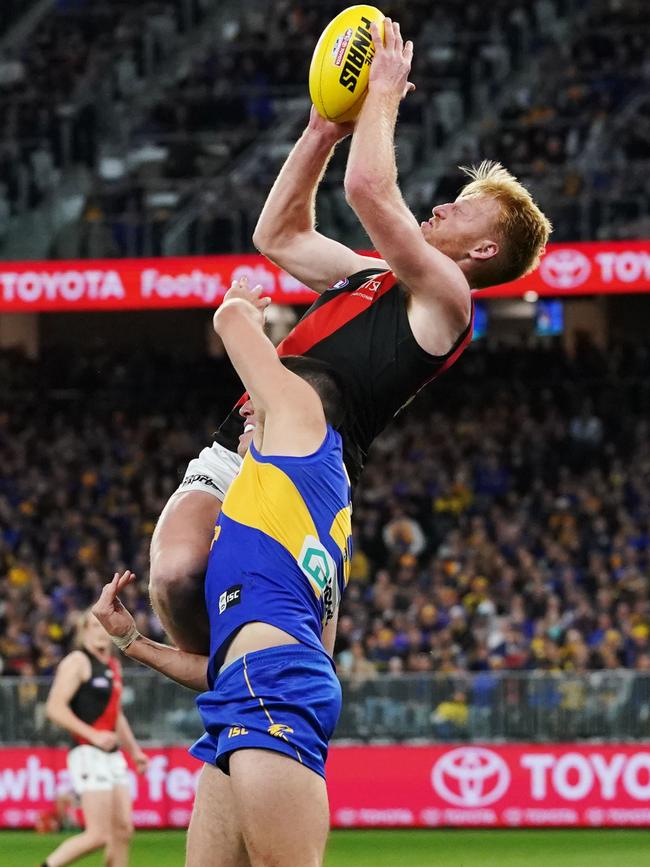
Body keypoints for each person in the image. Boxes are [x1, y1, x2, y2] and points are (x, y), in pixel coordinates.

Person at [149, 17, 552, 654]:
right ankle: (225, 694)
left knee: (274, 632)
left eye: (463, 207)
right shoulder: (375, 273)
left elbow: (367, 187)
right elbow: (278, 236)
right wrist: (321, 131)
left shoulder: (448, 298)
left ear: (484, 247)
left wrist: (384, 93)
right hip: (237, 446)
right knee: (174, 579)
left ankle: (246, 703)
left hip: (307, 472)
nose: (442, 206)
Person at [93, 275, 352, 867]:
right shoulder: (295, 512)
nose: (245, 425)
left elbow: (231, 325)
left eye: (256, 413)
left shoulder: (298, 447)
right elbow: (232, 666)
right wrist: (132, 642)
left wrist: (244, 304)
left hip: (273, 688)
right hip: (255, 687)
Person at [41, 609, 148, 867]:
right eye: (94, 626)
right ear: (84, 630)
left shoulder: (113, 665)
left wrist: (134, 752)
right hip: (87, 751)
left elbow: (116, 714)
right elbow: (54, 708)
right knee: (98, 835)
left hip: (111, 755)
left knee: (123, 830)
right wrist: (93, 735)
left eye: (104, 627)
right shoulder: (78, 661)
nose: (101, 631)